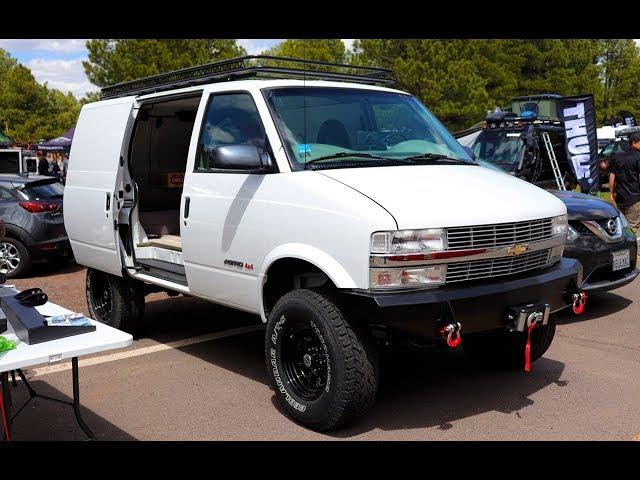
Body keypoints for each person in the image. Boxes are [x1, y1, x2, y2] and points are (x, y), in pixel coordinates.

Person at [610, 131, 640, 252]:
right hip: (635, 197)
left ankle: (623, 250)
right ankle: (636, 252)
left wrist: (612, 193)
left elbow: (612, 178)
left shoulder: (617, 157)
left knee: (623, 226)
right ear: (634, 142)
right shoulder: (638, 157)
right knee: (634, 226)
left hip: (620, 198)